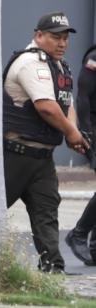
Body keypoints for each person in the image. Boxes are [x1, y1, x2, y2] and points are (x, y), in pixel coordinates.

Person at [2, 12, 88, 273]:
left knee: (47, 212)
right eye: (55, 37)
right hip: (14, 155)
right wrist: (72, 134)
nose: (62, 43)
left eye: (65, 38)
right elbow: (47, 108)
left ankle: (53, 271)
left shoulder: (59, 65)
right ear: (38, 35)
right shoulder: (30, 62)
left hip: (42, 158)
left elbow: (65, 103)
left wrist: (73, 131)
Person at [65, 44, 96, 266]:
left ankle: (93, 247)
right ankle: (78, 233)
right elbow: (83, 96)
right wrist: (86, 133)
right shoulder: (94, 58)